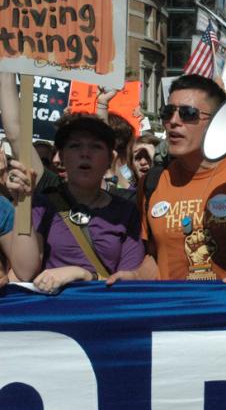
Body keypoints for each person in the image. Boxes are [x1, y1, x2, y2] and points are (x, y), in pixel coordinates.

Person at [108, 74, 226, 282]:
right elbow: (156, 257)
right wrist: (135, 276)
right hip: (174, 310)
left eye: (188, 113)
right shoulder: (152, 183)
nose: (173, 122)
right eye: (168, 112)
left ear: (217, 121)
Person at [9, 114, 144, 292]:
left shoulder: (127, 211)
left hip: (104, 313)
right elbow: (25, 271)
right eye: (75, 146)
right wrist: (22, 201)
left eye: (96, 147)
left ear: (110, 159)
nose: (85, 154)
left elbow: (129, 284)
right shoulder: (42, 204)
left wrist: (84, 275)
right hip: (51, 313)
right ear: (61, 156)